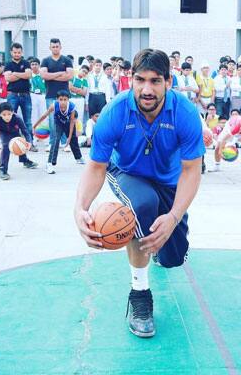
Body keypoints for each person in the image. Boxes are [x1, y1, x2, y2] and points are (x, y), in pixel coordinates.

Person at [74, 49, 204, 339]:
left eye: (155, 81)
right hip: (127, 173)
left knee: (173, 258)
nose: (147, 89)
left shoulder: (184, 113)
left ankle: (162, 241)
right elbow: (96, 166)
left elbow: (192, 170)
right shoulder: (115, 112)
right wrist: (79, 207)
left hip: (169, 182)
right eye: (140, 80)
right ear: (130, 80)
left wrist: (173, 216)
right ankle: (140, 294)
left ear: (168, 82)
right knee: (142, 206)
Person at [32, 90, 84, 174]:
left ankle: (79, 158)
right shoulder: (54, 106)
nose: (63, 102)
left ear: (68, 100)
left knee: (74, 140)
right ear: (57, 99)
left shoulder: (72, 107)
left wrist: (69, 137)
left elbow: (71, 122)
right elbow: (44, 115)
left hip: (68, 124)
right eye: (61, 99)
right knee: (55, 141)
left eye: (65, 99)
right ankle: (49, 163)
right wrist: (35, 125)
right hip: (58, 124)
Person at [41, 38, 75, 151]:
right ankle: (52, 142)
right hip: (50, 94)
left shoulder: (67, 60)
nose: (55, 48)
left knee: (65, 118)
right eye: (53, 46)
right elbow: (44, 76)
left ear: (60, 47)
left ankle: (65, 143)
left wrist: (52, 75)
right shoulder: (45, 61)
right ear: (50, 48)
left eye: (57, 46)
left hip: (64, 96)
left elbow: (69, 76)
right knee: (52, 119)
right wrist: (60, 73)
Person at [0, 103, 38, 180]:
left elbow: (25, 131)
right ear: (0, 114)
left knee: (20, 143)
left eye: (9, 114)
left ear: (12, 112)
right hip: (4, 133)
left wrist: (29, 142)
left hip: (14, 132)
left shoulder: (17, 118)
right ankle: (2, 169)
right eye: (4, 114)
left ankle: (24, 160)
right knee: (5, 146)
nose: (7, 117)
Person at [211, 110, 241, 179]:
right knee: (218, 146)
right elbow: (224, 139)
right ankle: (217, 165)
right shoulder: (236, 126)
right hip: (230, 128)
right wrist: (220, 151)